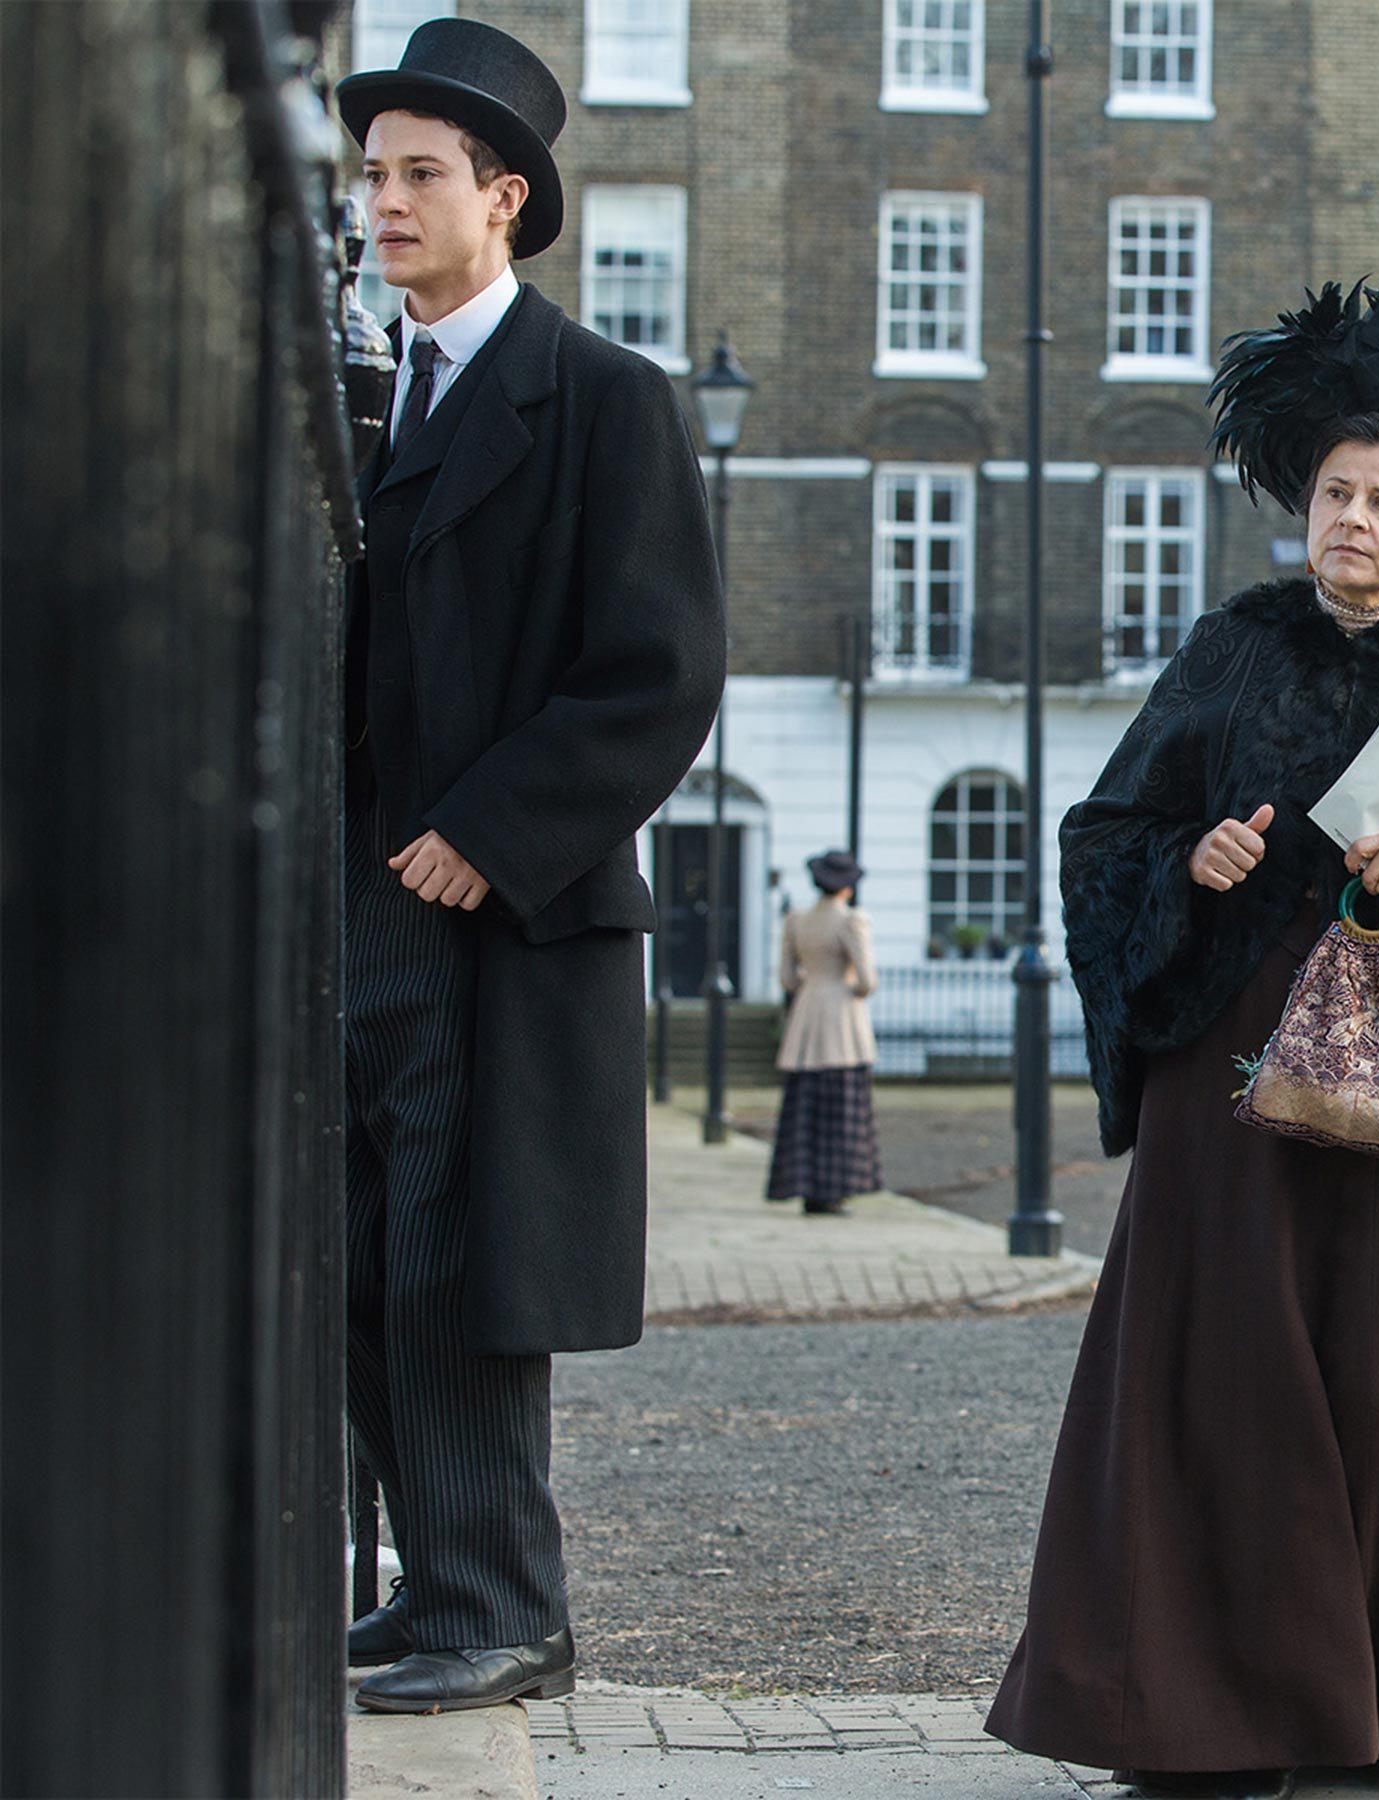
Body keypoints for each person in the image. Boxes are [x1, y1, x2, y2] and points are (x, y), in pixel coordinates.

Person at [986, 251, 1379, 1800]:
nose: (1353, 522)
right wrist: (1189, 868)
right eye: (1335, 493)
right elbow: (1106, 832)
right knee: (1215, 1374)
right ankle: (1186, 1711)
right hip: (1224, 1071)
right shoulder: (1234, 649)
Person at [334, 20, 725, 1714]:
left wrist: (486, 834)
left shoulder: (608, 402)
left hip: (505, 908)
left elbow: (660, 671)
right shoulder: (366, 399)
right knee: (369, 1257)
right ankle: (441, 1590)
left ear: (508, 199)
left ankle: (507, 1605)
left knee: (463, 1260)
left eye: (422, 174)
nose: (386, 201)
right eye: (374, 173)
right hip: (358, 902)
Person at [766, 851, 883, 1215]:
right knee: (842, 1110)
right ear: (847, 886)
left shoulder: (796, 920)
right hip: (842, 1021)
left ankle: (807, 1189)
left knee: (805, 1110)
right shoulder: (851, 921)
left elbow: (787, 978)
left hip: (806, 1016)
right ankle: (835, 1191)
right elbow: (866, 982)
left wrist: (811, 982)